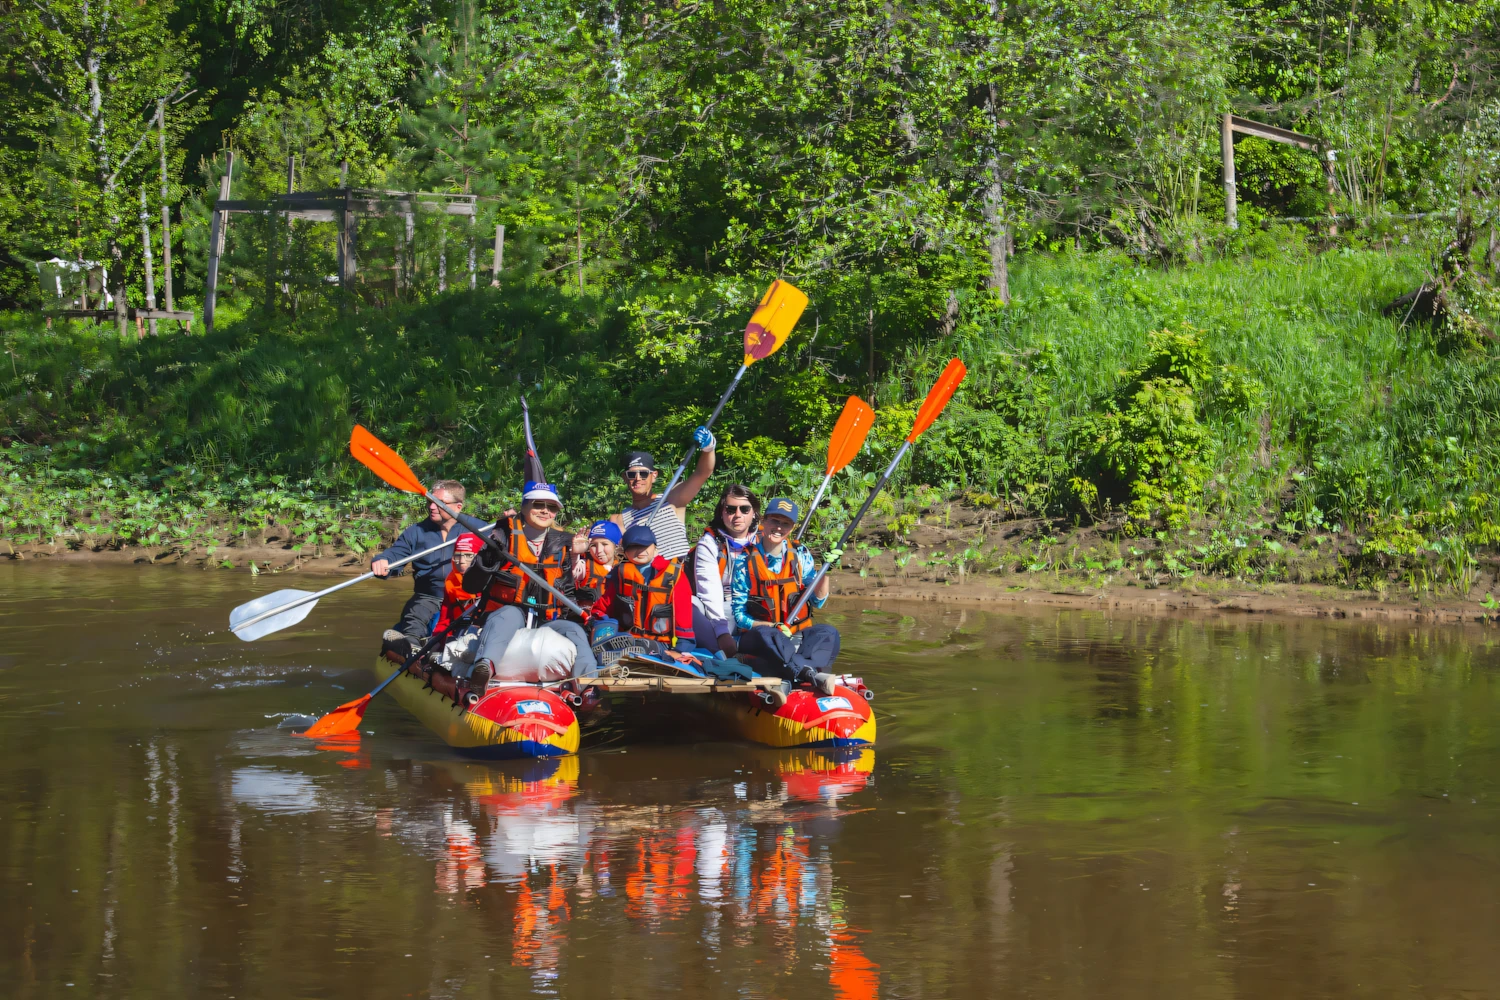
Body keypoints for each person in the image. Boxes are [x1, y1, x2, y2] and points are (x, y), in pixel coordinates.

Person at [459, 481, 596, 691]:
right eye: (538, 504)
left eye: (551, 507)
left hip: (545, 622)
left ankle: (587, 687)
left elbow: (566, 592)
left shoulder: (563, 544)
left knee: (574, 630)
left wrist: (581, 621)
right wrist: (489, 554)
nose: (545, 511)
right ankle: (484, 668)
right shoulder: (503, 536)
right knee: (509, 614)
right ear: (524, 507)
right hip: (507, 617)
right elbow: (470, 586)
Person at [730, 497, 841, 690]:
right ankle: (808, 672)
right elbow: (739, 616)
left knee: (828, 633)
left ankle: (797, 671)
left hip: (793, 637)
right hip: (762, 638)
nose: (778, 527)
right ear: (764, 521)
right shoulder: (744, 561)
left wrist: (827, 571)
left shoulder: (801, 555)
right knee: (769, 634)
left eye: (785, 523)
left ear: (792, 527)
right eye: (774, 520)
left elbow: (817, 601)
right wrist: (773, 625)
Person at [373, 479, 471, 649]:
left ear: (458, 507)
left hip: (466, 597)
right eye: (430, 502)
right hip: (428, 597)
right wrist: (382, 561)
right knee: (416, 614)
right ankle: (411, 647)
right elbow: (395, 554)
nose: (432, 507)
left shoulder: (477, 529)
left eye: (439, 503)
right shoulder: (416, 532)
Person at [610, 425, 717, 560]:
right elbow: (614, 555)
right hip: (651, 579)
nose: (638, 478)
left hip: (681, 573)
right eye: (632, 474)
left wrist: (708, 448)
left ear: (653, 475)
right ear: (625, 478)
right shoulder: (619, 520)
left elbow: (703, 473)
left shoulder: (671, 499)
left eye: (643, 473)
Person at [586, 525, 696, 650]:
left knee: (643, 646)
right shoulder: (619, 574)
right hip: (626, 637)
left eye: (645, 546)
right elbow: (603, 606)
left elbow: (683, 615)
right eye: (633, 547)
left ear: (655, 548)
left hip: (662, 644)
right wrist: (599, 621)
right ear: (625, 552)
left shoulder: (674, 575)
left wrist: (682, 649)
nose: (640, 551)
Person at [687, 484, 760, 656]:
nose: (738, 515)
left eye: (744, 509)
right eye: (731, 509)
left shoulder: (764, 541)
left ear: (754, 512)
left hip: (752, 608)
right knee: (689, 603)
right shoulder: (709, 543)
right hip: (718, 610)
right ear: (722, 512)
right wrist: (722, 633)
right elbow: (709, 592)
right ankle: (718, 651)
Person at [432, 532, 484, 636]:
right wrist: (436, 644)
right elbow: (445, 621)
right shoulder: (450, 583)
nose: (461, 561)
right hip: (460, 630)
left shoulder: (492, 581)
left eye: (469, 556)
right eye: (457, 556)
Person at [573, 520, 620, 607]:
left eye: (604, 544)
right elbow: (573, 571)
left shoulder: (623, 568)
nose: (599, 550)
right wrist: (574, 554)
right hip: (589, 618)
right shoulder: (584, 565)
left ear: (616, 547)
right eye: (594, 545)